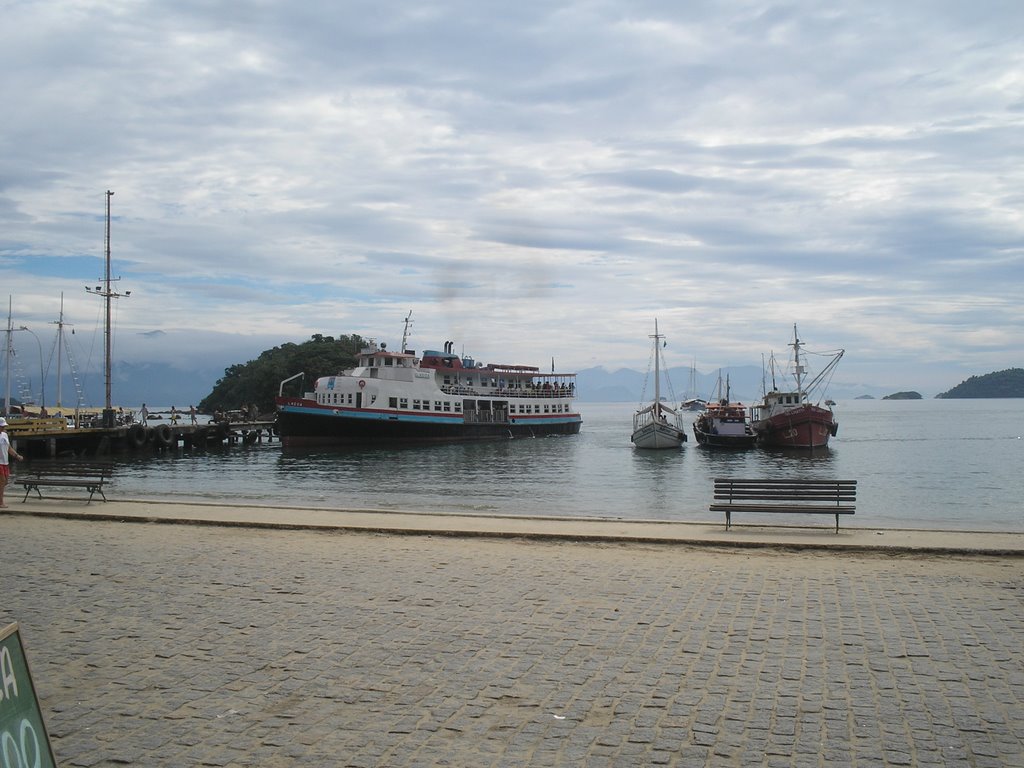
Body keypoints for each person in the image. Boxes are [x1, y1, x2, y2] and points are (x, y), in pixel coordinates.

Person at [0, 418, 25, 508]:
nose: (3, 428)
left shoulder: (5, 435)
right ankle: (1, 502)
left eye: (4, 426)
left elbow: (9, 448)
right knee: (2, 481)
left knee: (5, 481)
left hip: (5, 462)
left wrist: (17, 455)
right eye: (2, 426)